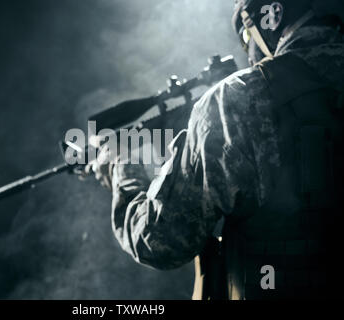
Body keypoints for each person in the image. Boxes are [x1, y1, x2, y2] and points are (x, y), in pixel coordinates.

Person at [85, 0, 344, 299]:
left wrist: (123, 168)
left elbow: (160, 240)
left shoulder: (235, 100)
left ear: (268, 16)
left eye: (246, 37)